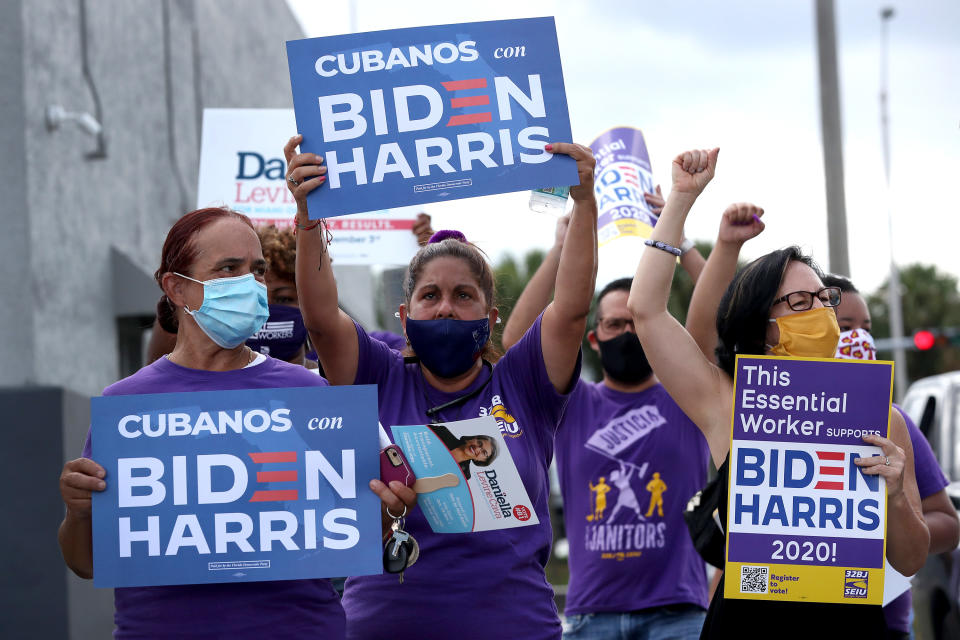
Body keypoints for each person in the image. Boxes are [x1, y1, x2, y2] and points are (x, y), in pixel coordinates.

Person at [285, 133, 598, 640]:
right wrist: (308, 215)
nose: (447, 307)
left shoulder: (525, 382)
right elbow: (320, 319)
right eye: (430, 295)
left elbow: (571, 309)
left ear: (491, 318)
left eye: (463, 295)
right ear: (405, 317)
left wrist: (584, 202)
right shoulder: (377, 375)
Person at [57, 207, 416, 639]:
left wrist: (382, 517)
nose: (250, 283)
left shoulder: (313, 396)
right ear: (176, 288)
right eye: (229, 268)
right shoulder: (128, 406)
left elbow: (350, 541)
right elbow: (87, 562)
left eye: (257, 270)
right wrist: (78, 515)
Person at [626, 148, 929, 638]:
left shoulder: (881, 415)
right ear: (762, 324)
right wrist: (680, 200)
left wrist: (894, 496)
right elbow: (646, 311)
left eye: (824, 299)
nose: (823, 312)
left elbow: (912, 558)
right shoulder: (728, 400)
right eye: (800, 302)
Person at [501, 199, 751, 639]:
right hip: (590, 615)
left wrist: (706, 244)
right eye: (615, 325)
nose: (628, 333)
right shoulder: (571, 403)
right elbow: (517, 339)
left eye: (636, 322)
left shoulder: (686, 396)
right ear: (594, 340)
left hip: (678, 614)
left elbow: (715, 318)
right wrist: (560, 248)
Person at [823, 274, 960, 640]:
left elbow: (947, 523)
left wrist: (894, 533)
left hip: (882, 625)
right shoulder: (776, 420)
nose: (859, 338)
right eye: (845, 326)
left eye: (866, 327)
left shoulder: (891, 420)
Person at [426, 423, 499, 479]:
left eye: (484, 452)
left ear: (482, 461)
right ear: (474, 438)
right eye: (479, 443)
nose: (477, 449)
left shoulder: (464, 476)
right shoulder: (442, 432)